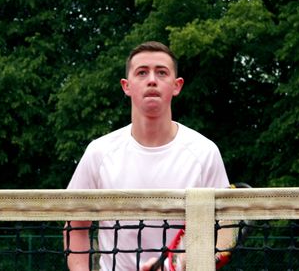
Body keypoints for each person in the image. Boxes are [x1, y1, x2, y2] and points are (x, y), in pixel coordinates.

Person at [65, 41, 230, 271]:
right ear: (126, 86)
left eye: (161, 72)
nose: (152, 79)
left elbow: (222, 231)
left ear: (176, 85)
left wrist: (181, 265)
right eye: (142, 72)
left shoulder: (205, 152)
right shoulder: (99, 152)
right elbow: (75, 227)